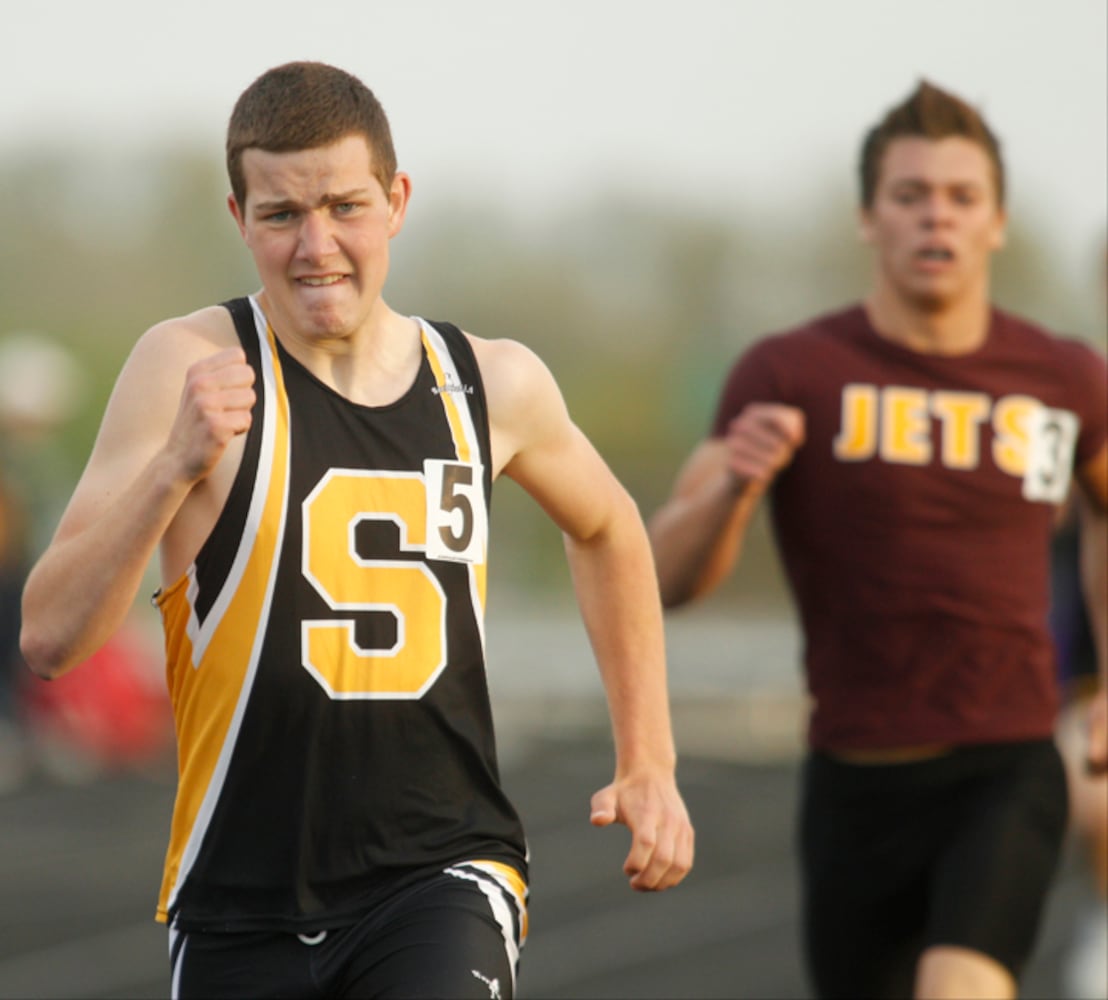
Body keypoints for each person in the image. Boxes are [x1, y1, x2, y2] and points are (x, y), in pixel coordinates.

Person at [20, 61, 693, 999]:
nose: (316, 246)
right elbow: (50, 639)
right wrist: (173, 466)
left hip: (440, 875)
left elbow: (611, 528)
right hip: (236, 896)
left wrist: (648, 760)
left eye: (344, 206)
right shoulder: (190, 365)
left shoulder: (486, 383)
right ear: (238, 217)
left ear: (397, 200)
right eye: (282, 215)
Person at [649, 80, 1107, 1000]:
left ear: (996, 223)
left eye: (960, 197)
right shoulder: (791, 372)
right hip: (854, 777)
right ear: (869, 217)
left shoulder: (1061, 377)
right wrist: (737, 484)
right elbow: (658, 574)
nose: (935, 217)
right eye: (910, 196)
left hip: (1005, 765)